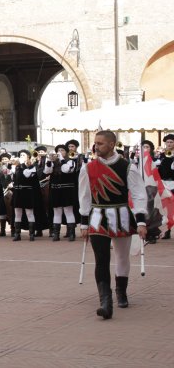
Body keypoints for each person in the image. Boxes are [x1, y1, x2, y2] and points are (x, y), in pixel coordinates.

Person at [79, 130, 148, 320]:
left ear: (112, 144)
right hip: (97, 217)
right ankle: (105, 302)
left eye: (100, 143)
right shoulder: (88, 168)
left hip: (122, 216)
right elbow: (84, 196)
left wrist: (141, 221)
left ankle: (121, 291)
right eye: (95, 143)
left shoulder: (127, 167)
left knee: (121, 257)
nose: (96, 146)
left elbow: (138, 194)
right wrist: (84, 224)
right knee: (101, 258)